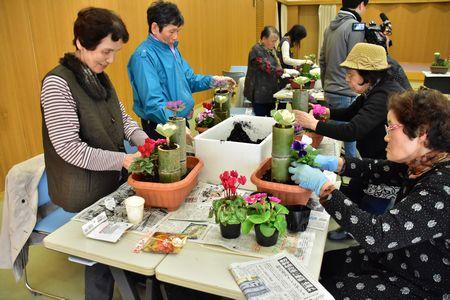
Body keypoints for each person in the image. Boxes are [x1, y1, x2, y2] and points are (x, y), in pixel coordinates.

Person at [290, 88, 450, 299]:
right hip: (396, 256)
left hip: (420, 282)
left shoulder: (441, 188)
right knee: (324, 263)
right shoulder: (425, 161)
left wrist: (324, 187)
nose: (385, 137)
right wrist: (332, 162)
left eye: (391, 128)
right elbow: (378, 169)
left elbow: (378, 235)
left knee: (327, 292)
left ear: (422, 133)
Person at [40, 7, 147, 299]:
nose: (110, 60)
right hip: (82, 187)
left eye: (114, 52)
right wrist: (123, 159)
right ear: (80, 43)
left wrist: (143, 140)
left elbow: (122, 118)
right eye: (105, 51)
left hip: (108, 180)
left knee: (125, 240)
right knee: (101, 256)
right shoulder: (57, 83)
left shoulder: (99, 75)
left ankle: (134, 281)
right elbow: (68, 148)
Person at [295, 43, 404, 240]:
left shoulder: (385, 95)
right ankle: (350, 226)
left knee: (373, 207)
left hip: (387, 165)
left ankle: (365, 240)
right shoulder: (375, 88)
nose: (347, 78)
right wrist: (328, 112)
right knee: (353, 191)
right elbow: (351, 113)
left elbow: (353, 130)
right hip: (372, 158)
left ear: (367, 74)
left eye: (350, 74)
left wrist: (314, 124)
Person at [128, 0, 235, 139]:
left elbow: (189, 80)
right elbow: (153, 103)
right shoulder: (144, 57)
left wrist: (215, 81)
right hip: (161, 124)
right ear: (155, 28)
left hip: (178, 119)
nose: (176, 36)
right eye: (172, 31)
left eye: (177, 31)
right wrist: (176, 126)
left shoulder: (171, 48)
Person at [320, 0, 369, 158]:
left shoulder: (329, 27)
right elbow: (357, 62)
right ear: (361, 5)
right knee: (349, 140)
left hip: (330, 90)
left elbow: (322, 60)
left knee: (332, 140)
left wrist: (327, 83)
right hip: (347, 92)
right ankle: (352, 178)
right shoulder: (355, 26)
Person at [244, 26, 285, 117]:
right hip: (259, 94)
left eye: (275, 41)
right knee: (260, 120)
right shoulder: (256, 49)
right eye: (272, 41)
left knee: (270, 119)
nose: (274, 44)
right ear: (263, 39)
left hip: (270, 93)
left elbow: (277, 65)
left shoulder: (270, 50)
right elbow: (267, 67)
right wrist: (283, 72)